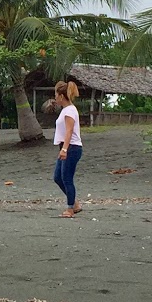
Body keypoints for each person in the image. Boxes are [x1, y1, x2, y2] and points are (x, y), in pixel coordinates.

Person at [51, 79, 84, 217]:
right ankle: (74, 203)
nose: (55, 98)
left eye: (56, 95)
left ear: (62, 96)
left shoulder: (69, 111)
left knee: (66, 178)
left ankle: (70, 208)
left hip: (71, 147)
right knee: (57, 177)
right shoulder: (66, 110)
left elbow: (69, 131)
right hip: (65, 147)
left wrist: (64, 149)